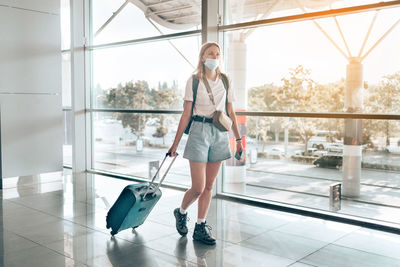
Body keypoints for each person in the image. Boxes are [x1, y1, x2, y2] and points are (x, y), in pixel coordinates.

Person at [167, 42, 243, 245]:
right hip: (199, 132)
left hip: (219, 132)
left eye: (218, 54)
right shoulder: (193, 81)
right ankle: (181, 211)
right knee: (198, 187)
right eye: (210, 53)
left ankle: (200, 226)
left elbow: (231, 112)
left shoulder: (226, 80)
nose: (214, 57)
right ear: (202, 57)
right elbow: (186, 114)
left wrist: (238, 138)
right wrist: (175, 145)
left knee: (209, 186)